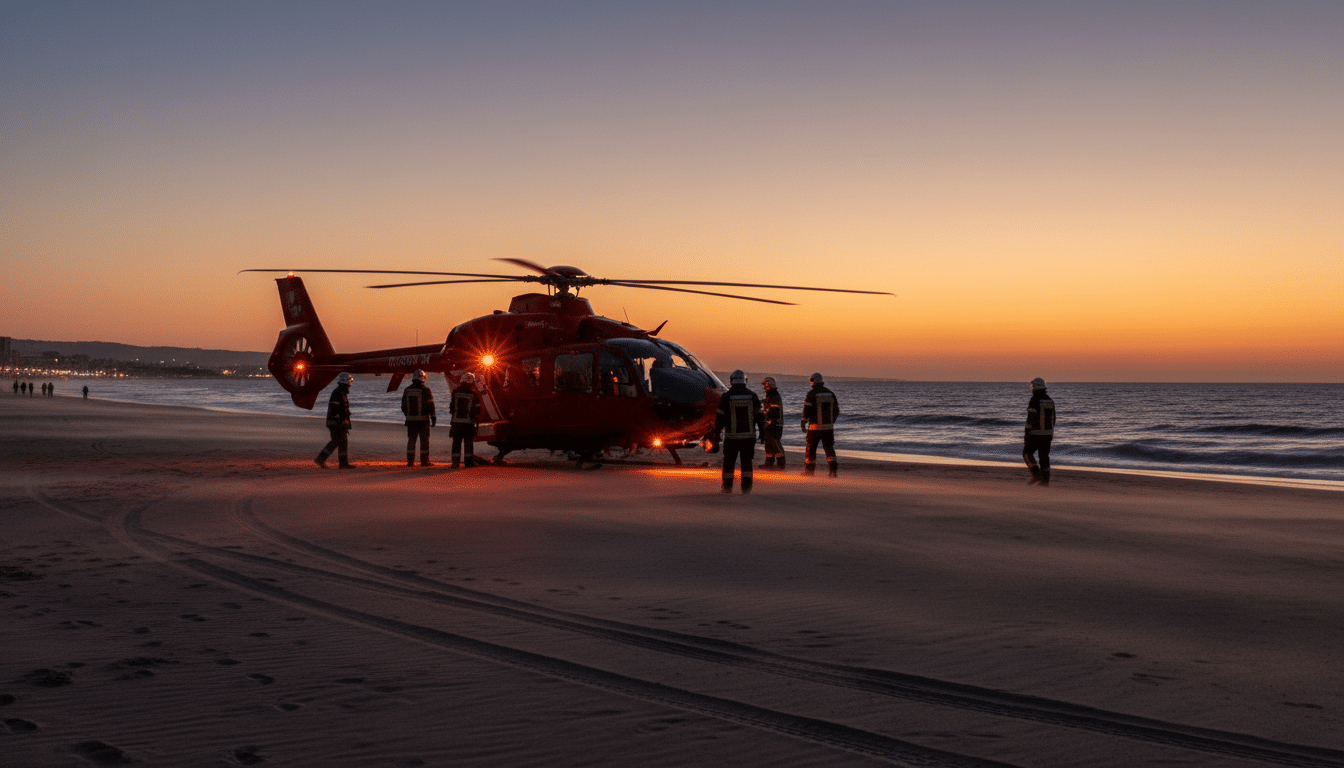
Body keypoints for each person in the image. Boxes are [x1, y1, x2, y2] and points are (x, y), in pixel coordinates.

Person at [714, 369, 763, 494]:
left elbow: (720, 417)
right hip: (748, 437)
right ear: (745, 380)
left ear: (731, 381)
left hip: (731, 438)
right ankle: (746, 489)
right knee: (747, 463)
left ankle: (727, 488)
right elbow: (759, 417)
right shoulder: (752, 396)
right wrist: (762, 432)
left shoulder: (726, 396)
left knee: (729, 463)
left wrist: (716, 432)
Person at [801, 372, 840, 477]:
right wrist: (831, 422)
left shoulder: (811, 393)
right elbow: (836, 410)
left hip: (815, 427)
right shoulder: (831, 393)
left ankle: (809, 472)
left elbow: (807, 410)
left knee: (811, 448)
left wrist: (804, 421)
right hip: (828, 428)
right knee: (829, 448)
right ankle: (833, 472)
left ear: (813, 381)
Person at [315, 372, 354, 468]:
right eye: (349, 382)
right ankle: (320, 459)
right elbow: (335, 410)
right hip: (336, 423)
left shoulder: (341, 392)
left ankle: (343, 463)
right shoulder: (338, 393)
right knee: (336, 441)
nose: (350, 384)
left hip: (340, 423)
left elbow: (342, 410)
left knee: (343, 442)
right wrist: (340, 421)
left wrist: (345, 422)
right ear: (346, 382)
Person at [1023, 377, 1056, 486]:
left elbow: (1031, 418)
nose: (1032, 389)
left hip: (1035, 434)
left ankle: (1036, 474)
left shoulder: (1034, 399)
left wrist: (1027, 434)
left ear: (1036, 387)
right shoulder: (1050, 400)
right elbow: (1053, 419)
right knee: (1044, 457)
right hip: (1047, 435)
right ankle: (1045, 481)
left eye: (1033, 387)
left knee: (1027, 453)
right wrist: (1050, 432)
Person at [401, 369, 437, 467]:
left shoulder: (407, 390)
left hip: (411, 421)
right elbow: (431, 405)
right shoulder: (426, 390)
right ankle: (424, 462)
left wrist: (408, 416)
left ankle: (410, 462)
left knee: (411, 441)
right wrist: (433, 418)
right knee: (424, 441)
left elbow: (403, 406)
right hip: (423, 421)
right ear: (424, 378)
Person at [449, 372, 481, 468]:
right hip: (468, 424)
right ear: (472, 382)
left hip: (456, 423)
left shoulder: (455, 392)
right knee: (468, 443)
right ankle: (468, 463)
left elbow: (451, 408)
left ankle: (455, 463)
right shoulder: (473, 394)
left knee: (456, 442)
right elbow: (478, 410)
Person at [759, 376, 785, 469]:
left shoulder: (773, 396)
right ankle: (769, 463)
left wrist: (770, 421)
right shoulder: (770, 395)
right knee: (768, 444)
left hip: (774, 424)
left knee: (775, 444)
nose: (764, 388)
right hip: (770, 424)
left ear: (768, 385)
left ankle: (781, 464)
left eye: (765, 386)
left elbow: (773, 410)